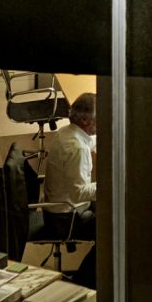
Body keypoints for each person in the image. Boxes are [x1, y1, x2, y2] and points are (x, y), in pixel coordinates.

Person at [42, 91, 97, 286]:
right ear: (84, 120)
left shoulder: (67, 132)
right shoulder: (77, 149)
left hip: (56, 208)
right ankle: (86, 281)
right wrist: (110, 183)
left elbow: (90, 143)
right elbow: (79, 192)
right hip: (66, 218)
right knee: (116, 229)